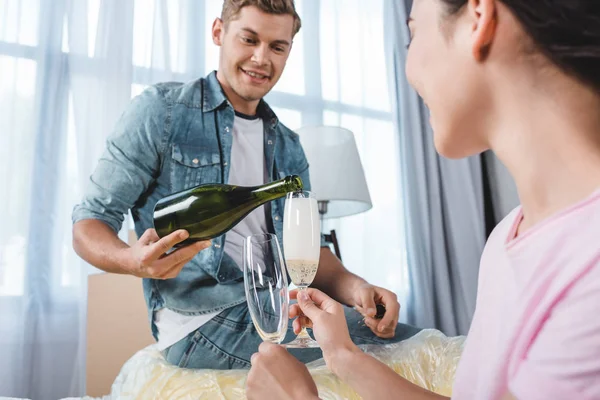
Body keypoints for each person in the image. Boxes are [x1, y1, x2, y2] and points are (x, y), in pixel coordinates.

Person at [246, 0, 600, 398]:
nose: (408, 68)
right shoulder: (508, 237)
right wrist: (343, 357)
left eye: (413, 32)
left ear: (479, 19)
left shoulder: (590, 269)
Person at [71, 0, 420, 370]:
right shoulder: (161, 112)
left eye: (277, 47)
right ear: (219, 32)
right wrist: (132, 261)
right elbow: (89, 222)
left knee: (408, 341)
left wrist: (357, 289)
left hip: (279, 307)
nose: (261, 58)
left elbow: (308, 252)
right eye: (249, 39)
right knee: (381, 351)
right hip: (201, 322)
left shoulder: (289, 146)